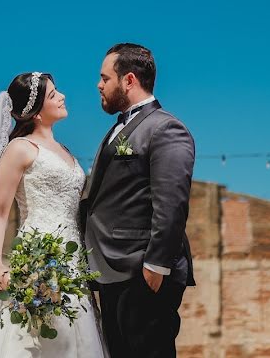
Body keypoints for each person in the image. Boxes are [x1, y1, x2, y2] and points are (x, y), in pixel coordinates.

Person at [0, 72, 105, 357]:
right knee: (39, 338)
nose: (63, 96)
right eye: (54, 95)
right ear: (37, 112)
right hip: (38, 259)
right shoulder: (19, 149)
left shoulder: (66, 151)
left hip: (73, 262)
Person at [81, 43, 196, 358]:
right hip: (112, 270)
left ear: (128, 80)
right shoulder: (117, 130)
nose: (98, 85)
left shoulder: (165, 128)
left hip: (141, 271)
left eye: (105, 78)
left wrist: (155, 266)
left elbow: (171, 203)